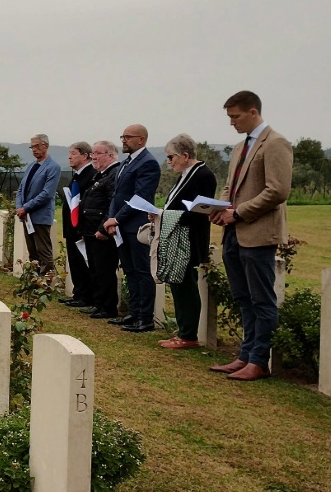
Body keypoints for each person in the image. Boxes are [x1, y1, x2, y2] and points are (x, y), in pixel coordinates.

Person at [209, 91, 292, 381]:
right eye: (229, 117)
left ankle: (258, 361)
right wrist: (219, 208)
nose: (232, 122)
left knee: (261, 299)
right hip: (233, 232)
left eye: (236, 116)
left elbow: (277, 190)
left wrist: (239, 212)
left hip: (257, 231)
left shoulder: (276, 143)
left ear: (253, 112)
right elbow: (229, 187)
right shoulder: (239, 147)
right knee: (243, 296)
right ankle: (245, 355)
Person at [152, 134, 217, 350]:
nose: (169, 162)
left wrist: (164, 214)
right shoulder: (185, 174)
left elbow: (200, 211)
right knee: (177, 283)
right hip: (177, 236)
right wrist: (160, 213)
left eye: (171, 157)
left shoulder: (203, 175)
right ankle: (182, 330)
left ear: (185, 155)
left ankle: (188, 334)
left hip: (189, 238)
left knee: (186, 284)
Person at [103, 124, 161, 333]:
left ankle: (145, 317)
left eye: (128, 137)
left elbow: (140, 197)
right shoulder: (126, 162)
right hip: (121, 224)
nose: (124, 140)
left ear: (141, 140)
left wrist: (116, 219)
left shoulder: (148, 163)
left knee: (142, 271)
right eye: (123, 136)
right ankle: (134, 312)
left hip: (136, 224)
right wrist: (112, 218)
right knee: (129, 270)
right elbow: (118, 195)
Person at [80, 141, 122, 320]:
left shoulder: (113, 174)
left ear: (111, 155)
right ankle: (99, 304)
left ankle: (107, 307)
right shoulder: (100, 175)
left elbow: (112, 203)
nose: (93, 157)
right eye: (92, 154)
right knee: (96, 269)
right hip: (90, 229)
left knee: (104, 270)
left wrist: (103, 228)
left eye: (98, 154)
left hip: (101, 231)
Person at [15, 133, 61, 270]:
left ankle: (46, 284)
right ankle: (35, 283)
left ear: (45, 146)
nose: (34, 150)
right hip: (26, 216)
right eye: (32, 147)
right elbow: (21, 189)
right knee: (32, 252)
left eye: (37, 146)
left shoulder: (53, 167)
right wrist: (19, 207)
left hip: (40, 216)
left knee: (43, 251)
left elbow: (47, 194)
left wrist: (26, 207)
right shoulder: (31, 167)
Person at [59, 142, 96, 309]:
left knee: (82, 261)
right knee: (74, 261)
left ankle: (86, 295)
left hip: (81, 226)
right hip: (71, 226)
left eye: (73, 153)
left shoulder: (91, 174)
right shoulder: (77, 175)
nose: (69, 157)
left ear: (85, 156)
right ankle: (78, 292)